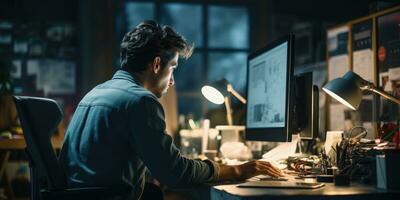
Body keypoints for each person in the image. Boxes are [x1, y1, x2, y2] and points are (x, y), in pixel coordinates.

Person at [59, 20, 283, 200]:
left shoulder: (94, 93)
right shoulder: (140, 101)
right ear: (157, 65)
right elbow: (174, 174)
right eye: (172, 68)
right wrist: (237, 170)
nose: (172, 81)